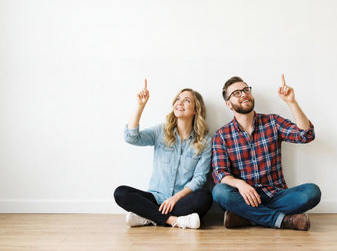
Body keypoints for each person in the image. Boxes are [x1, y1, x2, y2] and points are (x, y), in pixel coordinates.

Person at [212, 75, 321, 231]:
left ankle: (247, 217)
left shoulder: (272, 122)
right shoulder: (222, 135)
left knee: (312, 192)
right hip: (243, 198)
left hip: (276, 196)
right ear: (228, 104)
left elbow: (306, 135)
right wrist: (241, 185)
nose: (243, 94)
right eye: (236, 93)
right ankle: (283, 221)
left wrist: (291, 102)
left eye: (245, 90)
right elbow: (219, 173)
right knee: (219, 192)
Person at [114, 79, 213, 229]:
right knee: (120, 193)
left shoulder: (205, 141)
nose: (180, 102)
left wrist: (175, 198)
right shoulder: (161, 131)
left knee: (205, 197)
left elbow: (200, 178)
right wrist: (140, 106)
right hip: (155, 198)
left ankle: (148, 217)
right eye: (178, 99)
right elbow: (131, 137)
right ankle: (173, 221)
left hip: (182, 200)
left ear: (195, 110)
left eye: (186, 100)